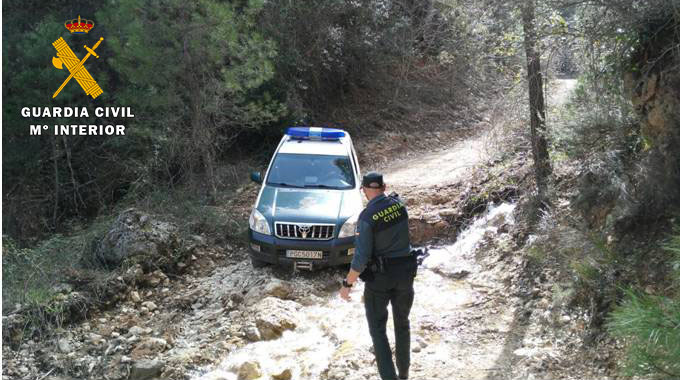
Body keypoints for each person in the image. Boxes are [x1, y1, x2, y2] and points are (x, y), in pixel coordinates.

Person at [340, 171, 416, 380]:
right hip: (405, 274)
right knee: (402, 324)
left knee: (378, 330)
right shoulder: (400, 206)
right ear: (383, 187)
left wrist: (347, 284)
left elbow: (361, 258)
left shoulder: (366, 217)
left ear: (364, 190)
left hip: (379, 280)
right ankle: (404, 375)